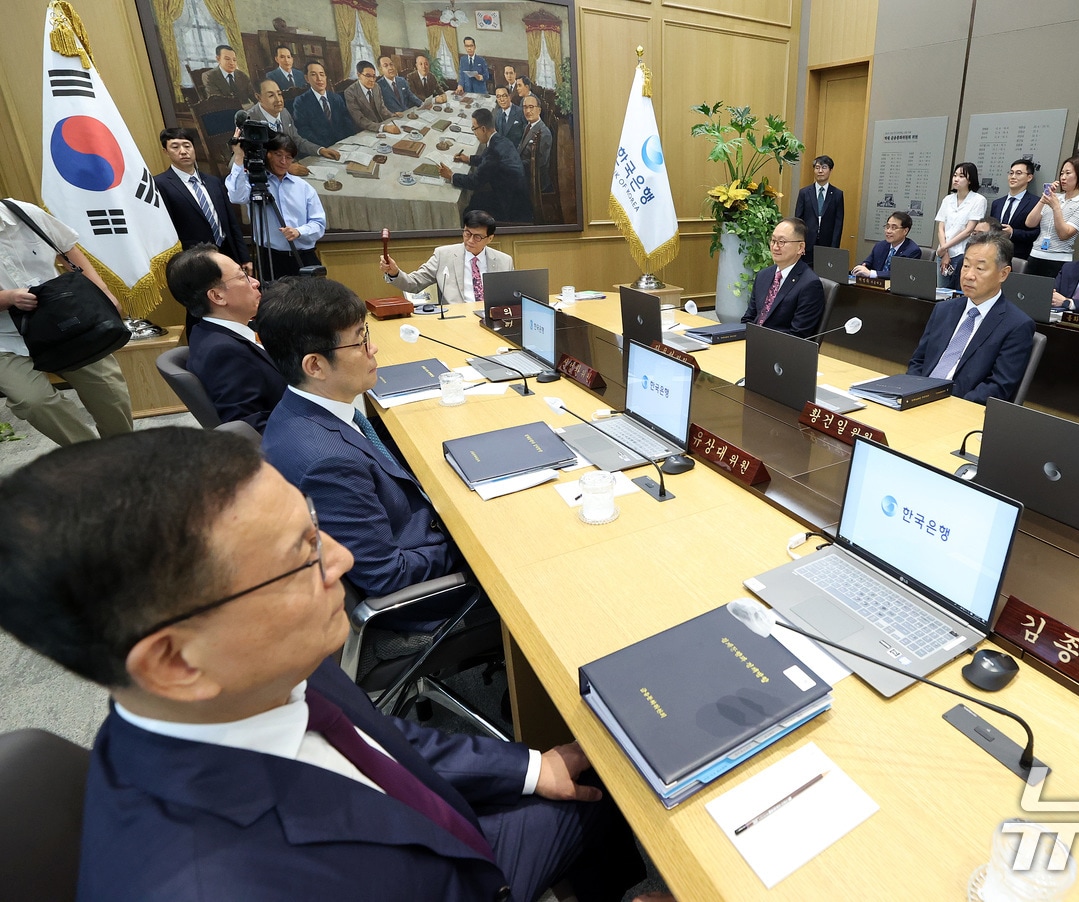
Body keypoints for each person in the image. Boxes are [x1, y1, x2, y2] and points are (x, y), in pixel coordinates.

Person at [0, 427, 656, 902]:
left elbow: (386, 743)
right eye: (303, 554)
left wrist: (530, 766)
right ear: (175, 661)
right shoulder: (223, 885)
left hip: (450, 838)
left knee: (618, 783)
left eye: (316, 528)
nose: (342, 560)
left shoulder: (256, 665)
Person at [259, 278, 469, 600]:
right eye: (359, 341)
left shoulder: (300, 409)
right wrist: (472, 543)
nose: (372, 348)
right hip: (433, 598)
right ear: (315, 365)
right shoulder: (327, 464)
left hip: (413, 523)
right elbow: (388, 576)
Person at [0, 198, 133, 446]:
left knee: (109, 391)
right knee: (33, 401)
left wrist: (103, 291)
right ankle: (89, 457)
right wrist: (6, 298)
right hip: (5, 339)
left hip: (65, 322)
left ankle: (122, 452)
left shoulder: (23, 212)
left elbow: (67, 249)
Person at [165, 244, 285, 432]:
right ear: (217, 296)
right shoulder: (224, 352)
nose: (255, 282)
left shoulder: (206, 331)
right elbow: (250, 428)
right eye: (242, 276)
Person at [906, 231, 1035, 404]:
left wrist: (950, 406)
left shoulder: (1017, 325)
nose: (968, 275)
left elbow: (998, 386)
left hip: (960, 409)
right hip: (917, 400)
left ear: (1003, 274)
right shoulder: (943, 309)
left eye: (980, 268)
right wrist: (912, 392)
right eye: (966, 266)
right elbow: (918, 361)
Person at [226, 133, 327, 280]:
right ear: (268, 154)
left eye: (289, 157)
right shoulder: (255, 183)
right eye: (278, 155)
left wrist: (299, 231)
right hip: (271, 258)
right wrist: (239, 156)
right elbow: (236, 196)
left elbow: (319, 223)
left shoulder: (303, 187)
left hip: (304, 257)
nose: (283, 161)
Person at [154, 127, 250, 270]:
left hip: (227, 253)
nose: (183, 151)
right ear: (166, 152)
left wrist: (244, 258)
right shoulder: (160, 184)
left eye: (187, 146)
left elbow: (231, 223)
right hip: (194, 261)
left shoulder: (213, 181)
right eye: (175, 147)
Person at [380, 209, 515, 306]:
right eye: (467, 233)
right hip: (457, 320)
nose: (470, 240)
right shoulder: (443, 255)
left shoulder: (504, 261)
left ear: (490, 238)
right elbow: (413, 284)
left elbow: (511, 296)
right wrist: (394, 273)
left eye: (477, 237)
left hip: (491, 319)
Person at [439, 108, 533, 224]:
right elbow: (490, 161)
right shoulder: (500, 140)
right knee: (474, 199)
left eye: (474, 128)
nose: (474, 133)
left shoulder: (493, 151)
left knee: (468, 210)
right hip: (515, 195)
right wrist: (469, 159)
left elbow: (475, 182)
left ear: (483, 129)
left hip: (509, 206)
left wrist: (451, 176)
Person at [740, 218, 824, 338]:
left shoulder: (810, 284)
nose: (775, 247)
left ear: (800, 247)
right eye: (773, 241)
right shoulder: (763, 275)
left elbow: (798, 335)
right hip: (751, 342)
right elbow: (748, 318)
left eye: (782, 242)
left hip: (780, 350)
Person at [1024, 155, 1079, 279]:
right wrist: (1044, 199)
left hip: (1058, 259)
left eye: (1068, 173)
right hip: (1035, 254)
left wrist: (1056, 207)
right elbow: (1030, 223)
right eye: (1062, 173)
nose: (1063, 177)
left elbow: (1064, 234)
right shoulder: (1056, 197)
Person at [247, 80, 342, 167]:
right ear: (258, 97)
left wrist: (320, 150)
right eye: (271, 96)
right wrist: (286, 168)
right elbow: (253, 159)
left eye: (279, 94)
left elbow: (297, 140)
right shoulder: (250, 120)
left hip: (292, 163)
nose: (278, 100)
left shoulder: (284, 112)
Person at [933, 161, 988, 287]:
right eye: (955, 175)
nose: (956, 179)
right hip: (942, 253)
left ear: (970, 180)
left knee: (959, 291)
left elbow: (969, 230)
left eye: (961, 176)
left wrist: (945, 247)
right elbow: (941, 227)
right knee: (941, 291)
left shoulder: (978, 200)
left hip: (962, 253)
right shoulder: (948, 199)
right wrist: (944, 251)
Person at [292, 59, 357, 149]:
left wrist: (348, 141)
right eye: (314, 74)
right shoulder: (301, 102)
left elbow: (347, 121)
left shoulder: (336, 98)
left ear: (325, 77)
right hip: (320, 148)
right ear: (307, 78)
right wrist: (325, 148)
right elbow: (304, 131)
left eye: (322, 74)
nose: (319, 79)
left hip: (343, 144)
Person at [793, 155, 845, 266]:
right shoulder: (804, 192)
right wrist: (799, 243)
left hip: (826, 245)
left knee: (823, 276)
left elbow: (838, 223)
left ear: (830, 170)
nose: (820, 171)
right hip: (807, 244)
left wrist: (834, 248)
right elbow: (798, 220)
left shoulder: (837, 194)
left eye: (824, 167)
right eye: (817, 168)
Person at [989, 158, 1038, 261]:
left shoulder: (1036, 203)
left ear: (1029, 177)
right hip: (994, 255)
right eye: (1011, 173)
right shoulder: (997, 203)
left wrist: (1013, 233)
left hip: (1020, 256)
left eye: (1018, 173)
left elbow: (1036, 233)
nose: (1013, 177)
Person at [852, 211, 921, 280]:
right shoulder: (880, 246)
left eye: (893, 228)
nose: (888, 231)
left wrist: (871, 273)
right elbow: (867, 263)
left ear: (905, 231)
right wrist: (861, 268)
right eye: (887, 227)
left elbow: (900, 274)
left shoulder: (912, 251)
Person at [343, 61, 402, 135]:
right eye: (368, 76)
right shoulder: (350, 92)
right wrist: (383, 127)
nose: (372, 80)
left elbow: (381, 108)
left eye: (374, 76)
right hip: (364, 131)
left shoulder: (376, 87)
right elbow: (359, 119)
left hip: (381, 127)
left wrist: (392, 115)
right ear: (359, 75)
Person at [518, 94, 554, 194]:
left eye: (531, 107)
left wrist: (516, 165)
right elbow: (521, 148)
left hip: (536, 179)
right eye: (525, 107)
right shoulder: (528, 126)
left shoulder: (544, 133)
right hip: (524, 171)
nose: (528, 111)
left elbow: (540, 162)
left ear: (539, 110)